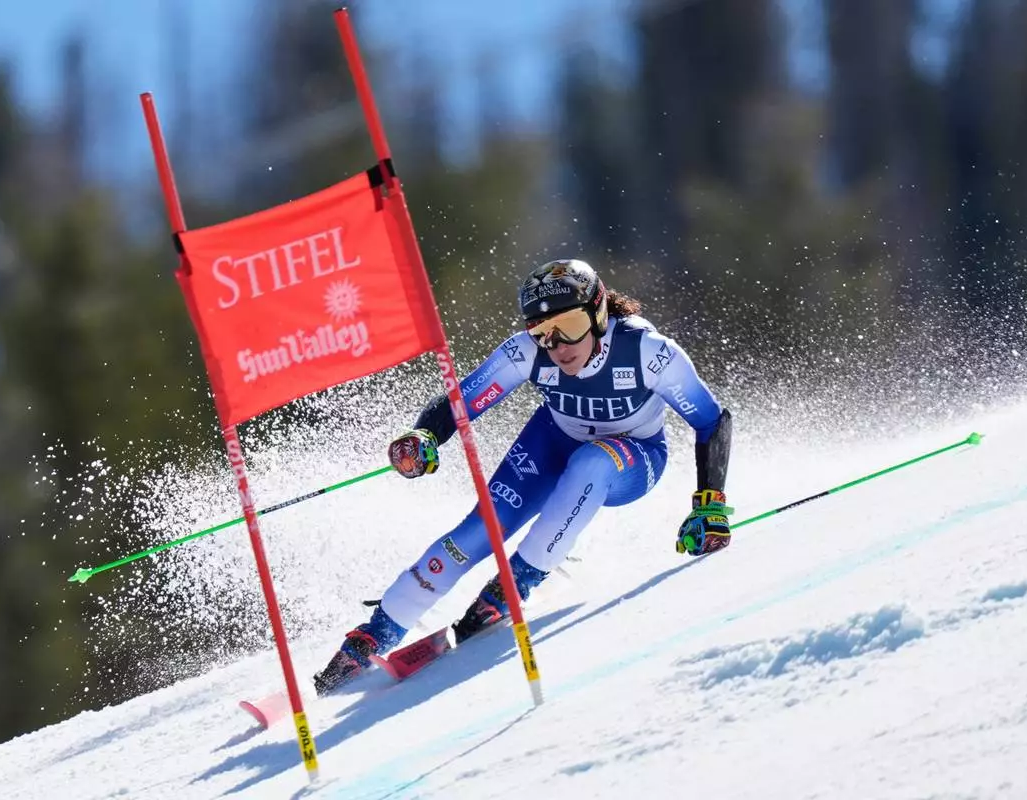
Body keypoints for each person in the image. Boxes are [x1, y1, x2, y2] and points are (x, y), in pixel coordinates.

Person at [313, 258, 733, 695]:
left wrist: (710, 502)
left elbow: (711, 420)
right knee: (479, 531)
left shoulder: (648, 350)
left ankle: (513, 586)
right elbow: (462, 402)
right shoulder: (527, 353)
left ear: (598, 311)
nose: (558, 346)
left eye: (569, 324)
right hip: (552, 441)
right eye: (542, 332)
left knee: (592, 463)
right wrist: (425, 436)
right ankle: (374, 634)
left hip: (633, 456)